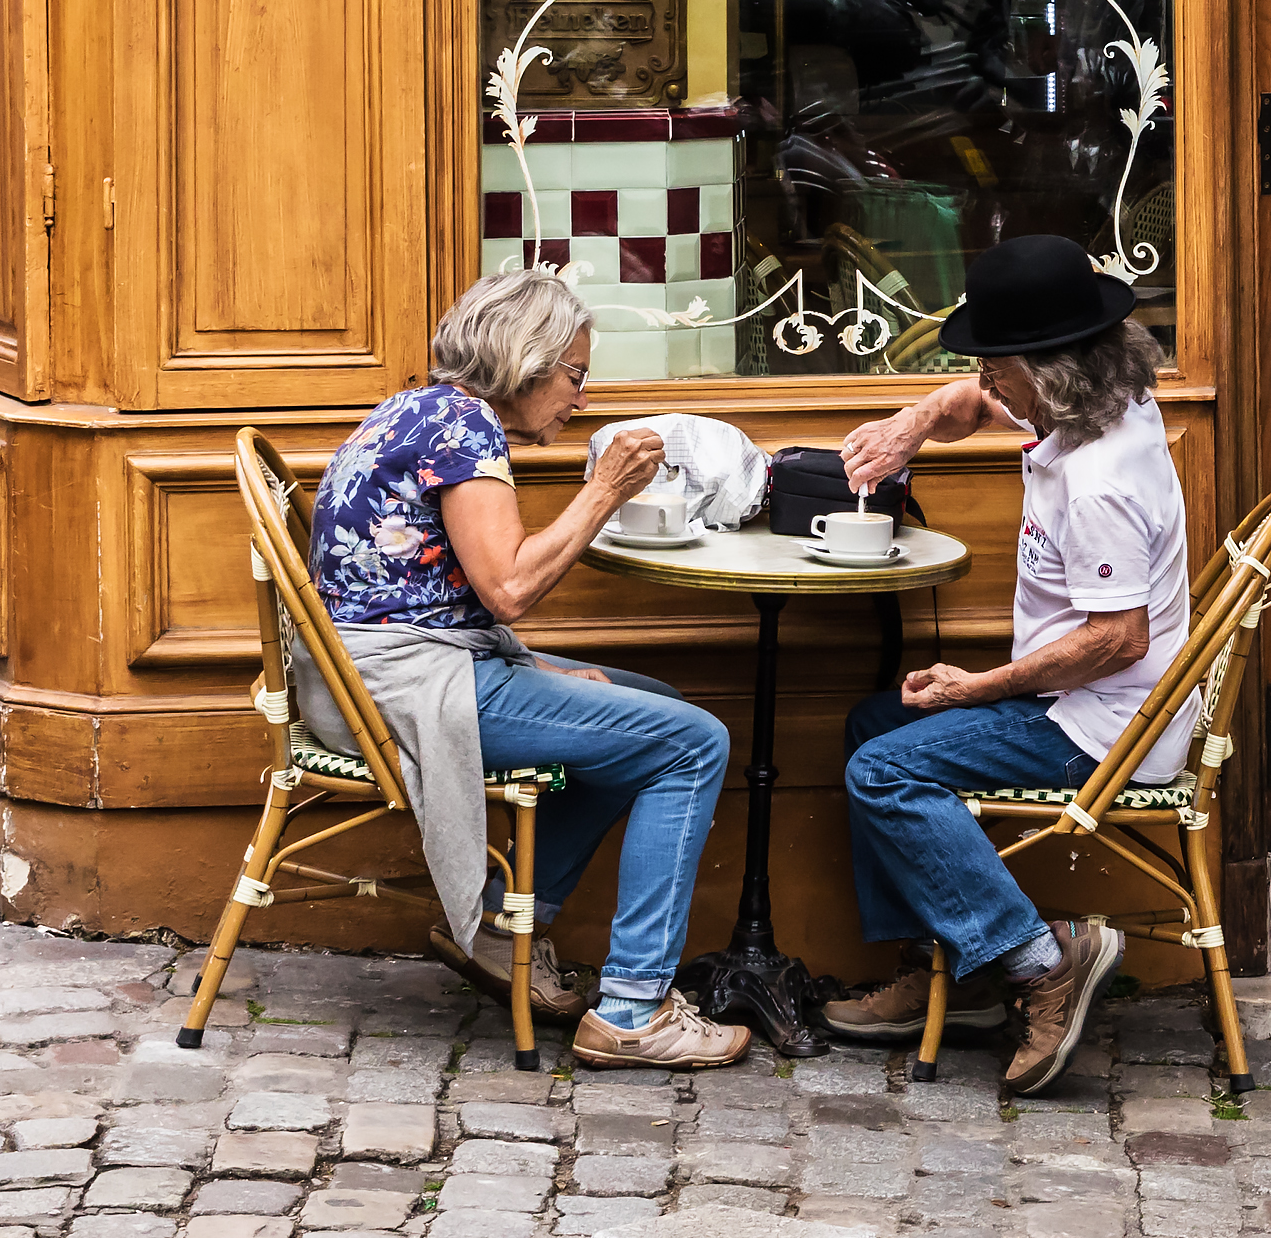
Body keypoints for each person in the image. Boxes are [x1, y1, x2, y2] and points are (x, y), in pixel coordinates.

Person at [306, 264, 749, 1070]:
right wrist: (605, 490)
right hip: (402, 686)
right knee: (692, 741)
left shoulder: (418, 407)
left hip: (372, 670)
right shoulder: (463, 429)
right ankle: (634, 1011)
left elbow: (422, 595)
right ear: (526, 361)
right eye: (575, 376)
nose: (581, 398)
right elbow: (507, 590)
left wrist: (539, 671)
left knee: (649, 705)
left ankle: (504, 926)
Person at [824, 233, 1185, 1098]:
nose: (983, 380)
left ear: (1049, 372)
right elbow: (971, 403)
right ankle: (947, 963)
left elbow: (1117, 640)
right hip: (1087, 702)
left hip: (1105, 729)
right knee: (872, 725)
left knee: (882, 771)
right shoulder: (1103, 399)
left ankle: (1038, 962)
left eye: (996, 366)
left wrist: (977, 687)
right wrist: (911, 426)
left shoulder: (1099, 481)